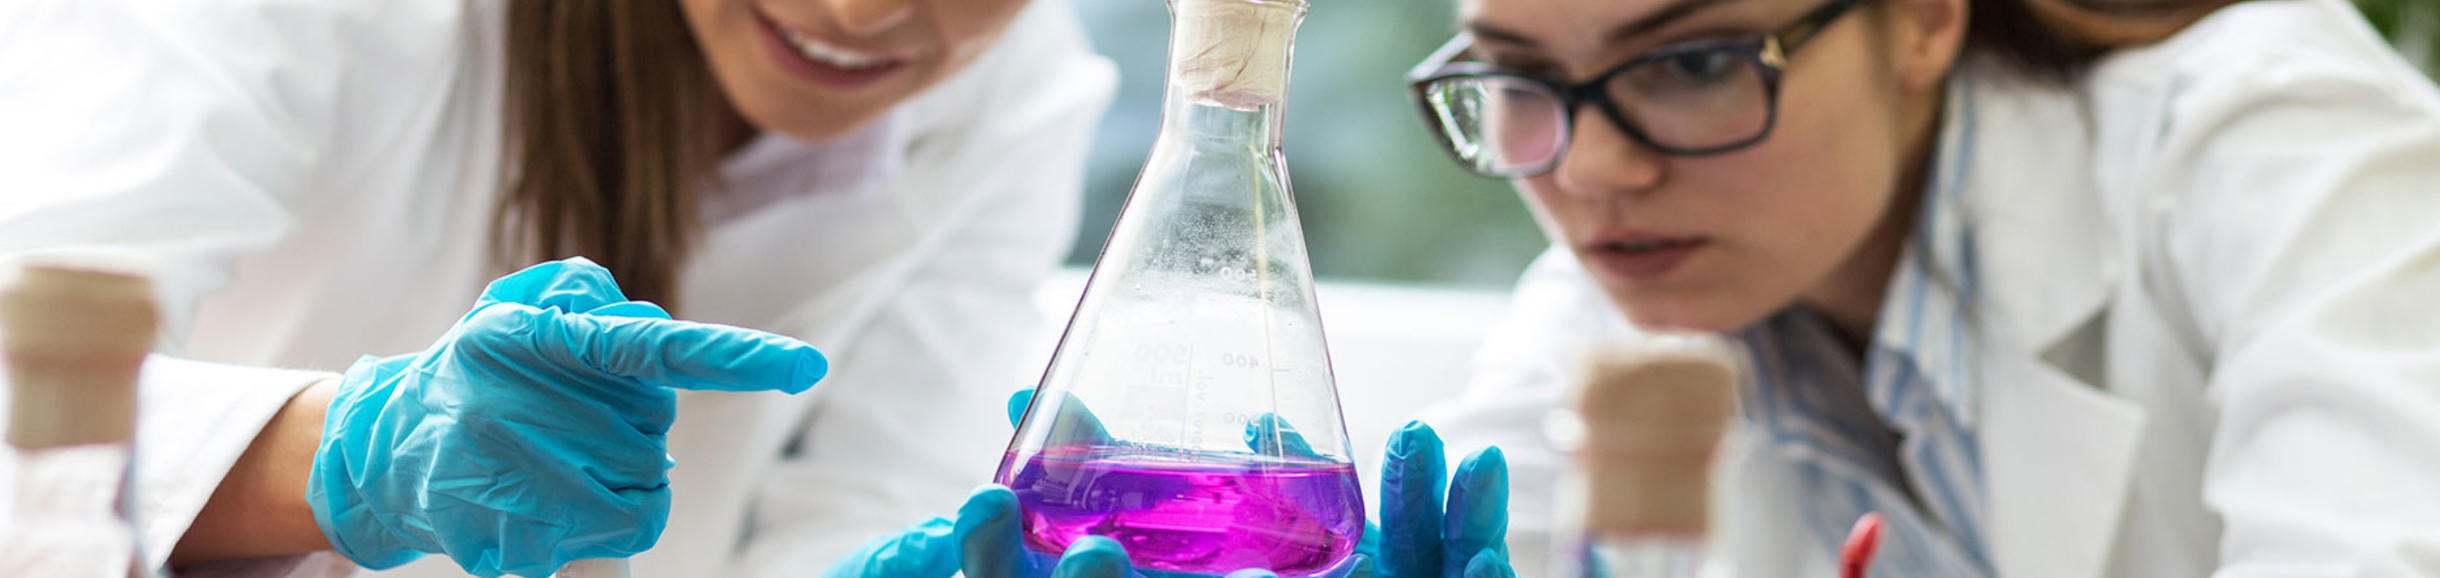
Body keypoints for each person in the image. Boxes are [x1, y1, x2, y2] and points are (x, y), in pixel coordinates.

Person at [0, 0, 1117, 575]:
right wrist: (342, 450)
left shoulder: (1016, 100)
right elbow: (18, 405)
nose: (859, 14)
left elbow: (860, 500)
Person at [1395, 0, 2440, 574]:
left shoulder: (2274, 145)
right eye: (1518, 76)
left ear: (1927, 19)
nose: (1590, 173)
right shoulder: (1617, 317)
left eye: (1698, 63)